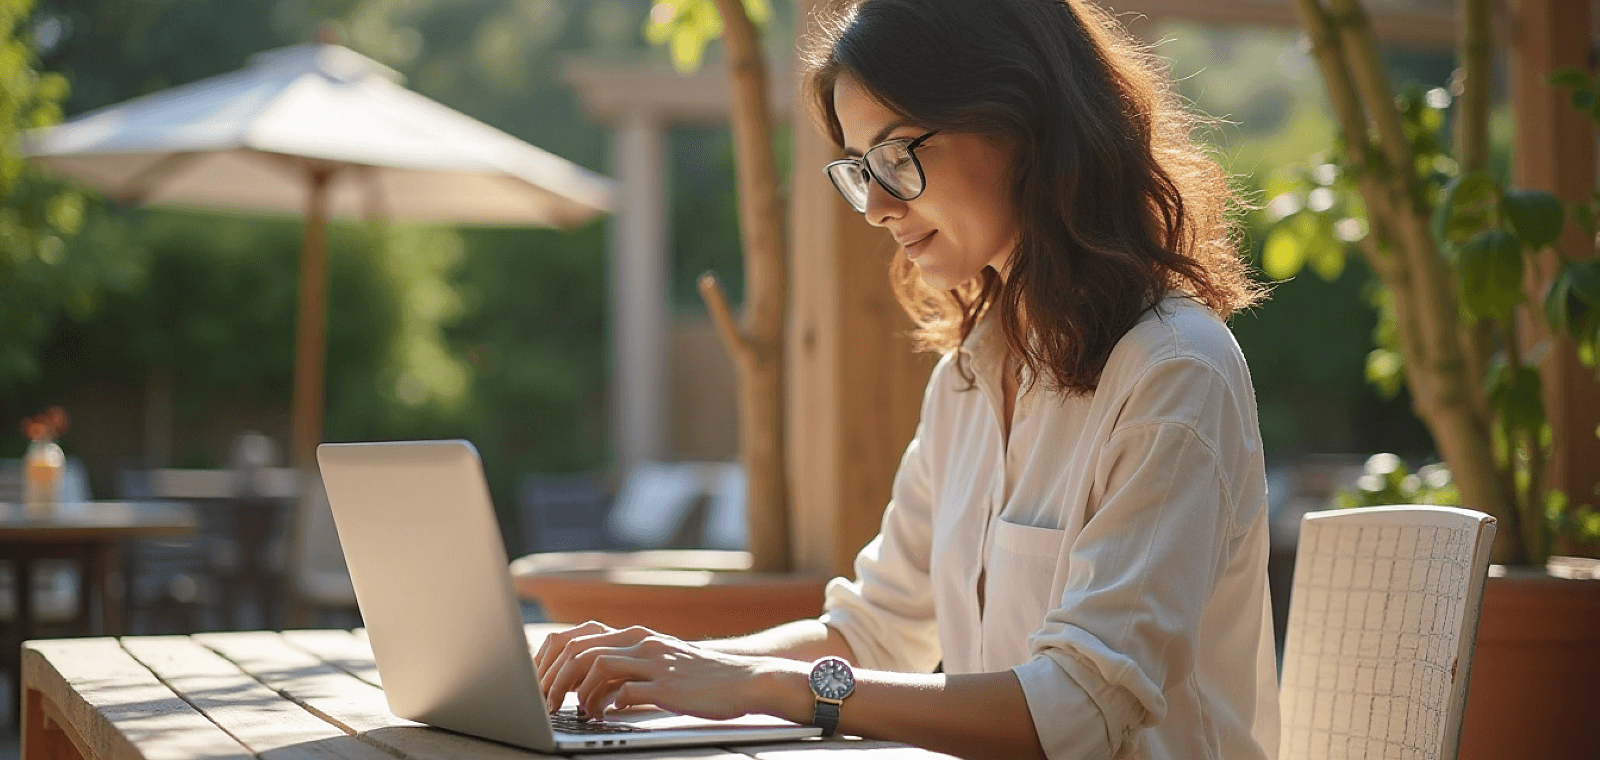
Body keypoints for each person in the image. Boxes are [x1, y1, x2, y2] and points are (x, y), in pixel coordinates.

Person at [535, 0, 1279, 758]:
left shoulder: (1176, 374)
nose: (879, 208)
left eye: (897, 157)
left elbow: (1078, 709)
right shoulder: (969, 376)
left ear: (1021, 121)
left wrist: (756, 683)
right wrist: (668, 669)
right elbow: (873, 631)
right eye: (861, 171)